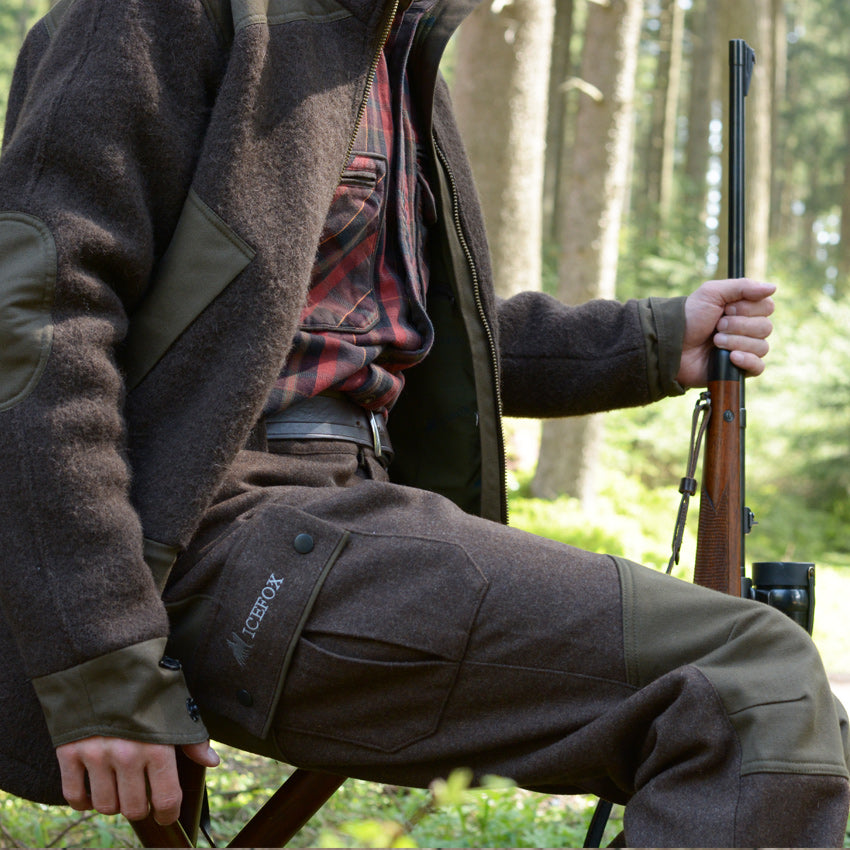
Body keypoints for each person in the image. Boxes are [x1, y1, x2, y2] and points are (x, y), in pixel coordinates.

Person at [0, 0, 847, 845]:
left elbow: (417, 331)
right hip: (198, 535)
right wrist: (99, 652)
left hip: (343, 516)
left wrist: (652, 340)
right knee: (751, 688)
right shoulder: (160, 13)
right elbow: (33, 324)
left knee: (801, 723)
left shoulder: (393, 48)